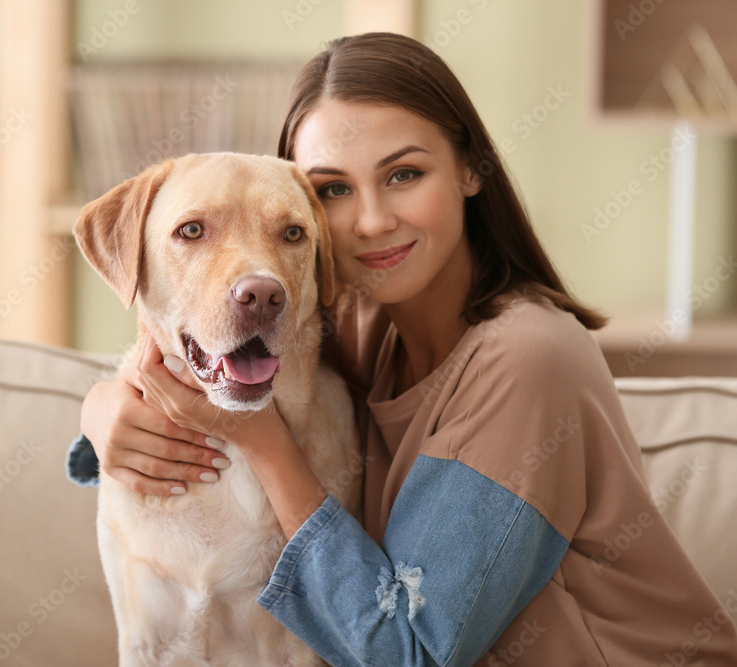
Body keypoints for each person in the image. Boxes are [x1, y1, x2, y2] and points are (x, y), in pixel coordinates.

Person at [67, 33, 737, 666]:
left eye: (404, 174)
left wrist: (265, 443)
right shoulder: (357, 325)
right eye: (333, 189)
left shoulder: (529, 359)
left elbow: (406, 650)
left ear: (472, 168)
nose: (371, 220)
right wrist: (103, 411)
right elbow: (198, 334)